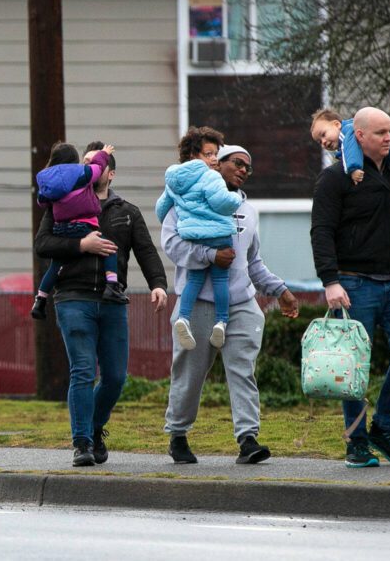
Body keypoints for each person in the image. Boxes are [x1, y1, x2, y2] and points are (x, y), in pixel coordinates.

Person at [162, 136, 301, 465]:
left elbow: (253, 263)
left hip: (240, 303)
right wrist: (209, 255)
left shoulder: (248, 212)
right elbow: (171, 245)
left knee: (242, 370)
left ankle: (248, 440)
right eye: (236, 163)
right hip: (196, 303)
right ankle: (178, 434)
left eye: (248, 168)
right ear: (217, 164)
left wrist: (279, 289)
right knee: (190, 372)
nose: (243, 170)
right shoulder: (187, 200)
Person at [310, 106, 390, 468]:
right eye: (380, 132)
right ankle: (357, 443)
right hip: (352, 282)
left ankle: (383, 426)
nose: (388, 137)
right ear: (358, 135)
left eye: (389, 131)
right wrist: (330, 281)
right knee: (351, 368)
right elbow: (321, 232)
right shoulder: (336, 179)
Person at [35, 140, 168, 467]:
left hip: (113, 300)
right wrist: (82, 244)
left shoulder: (127, 212)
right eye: (86, 161)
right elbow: (43, 244)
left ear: (110, 172)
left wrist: (159, 285)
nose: (89, 167)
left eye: (96, 162)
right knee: (82, 371)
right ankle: (81, 442)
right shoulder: (60, 203)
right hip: (73, 297)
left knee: (115, 378)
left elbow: (146, 251)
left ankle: (94, 428)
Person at [155, 145, 243, 351]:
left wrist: (181, 217)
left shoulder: (173, 182)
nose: (214, 159)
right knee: (221, 279)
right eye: (209, 154)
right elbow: (222, 202)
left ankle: (183, 317)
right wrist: (236, 199)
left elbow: (161, 209)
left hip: (194, 236)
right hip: (219, 234)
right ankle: (221, 321)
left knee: (194, 279)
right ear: (195, 157)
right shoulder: (209, 177)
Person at [310, 108, 390, 255]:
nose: (323, 142)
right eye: (319, 141)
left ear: (337, 124)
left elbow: (351, 151)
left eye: (323, 134)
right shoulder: (379, 168)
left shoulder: (347, 131)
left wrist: (354, 169)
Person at [32, 142, 127, 320]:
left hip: (61, 228)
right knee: (109, 249)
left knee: (55, 266)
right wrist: (104, 153)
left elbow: (42, 201)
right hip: (83, 227)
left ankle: (40, 300)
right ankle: (113, 286)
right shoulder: (79, 174)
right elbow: (97, 167)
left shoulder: (50, 181)